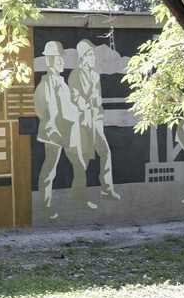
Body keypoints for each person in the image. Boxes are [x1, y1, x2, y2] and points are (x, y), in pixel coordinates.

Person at [34, 41, 94, 218]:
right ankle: (46, 205)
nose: (62, 62)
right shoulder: (44, 85)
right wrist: (54, 122)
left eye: (62, 58)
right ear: (50, 61)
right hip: (54, 133)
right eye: (58, 59)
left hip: (69, 131)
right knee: (50, 169)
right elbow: (40, 110)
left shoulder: (62, 82)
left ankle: (81, 198)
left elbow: (68, 105)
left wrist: (78, 110)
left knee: (79, 164)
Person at [68, 39, 120, 201]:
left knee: (105, 153)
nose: (94, 58)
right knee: (83, 159)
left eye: (93, 55)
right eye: (91, 55)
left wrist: (98, 112)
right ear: (83, 57)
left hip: (96, 122)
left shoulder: (95, 76)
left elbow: (98, 99)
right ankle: (79, 193)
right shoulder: (76, 74)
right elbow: (74, 97)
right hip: (83, 124)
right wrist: (87, 103)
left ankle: (107, 189)